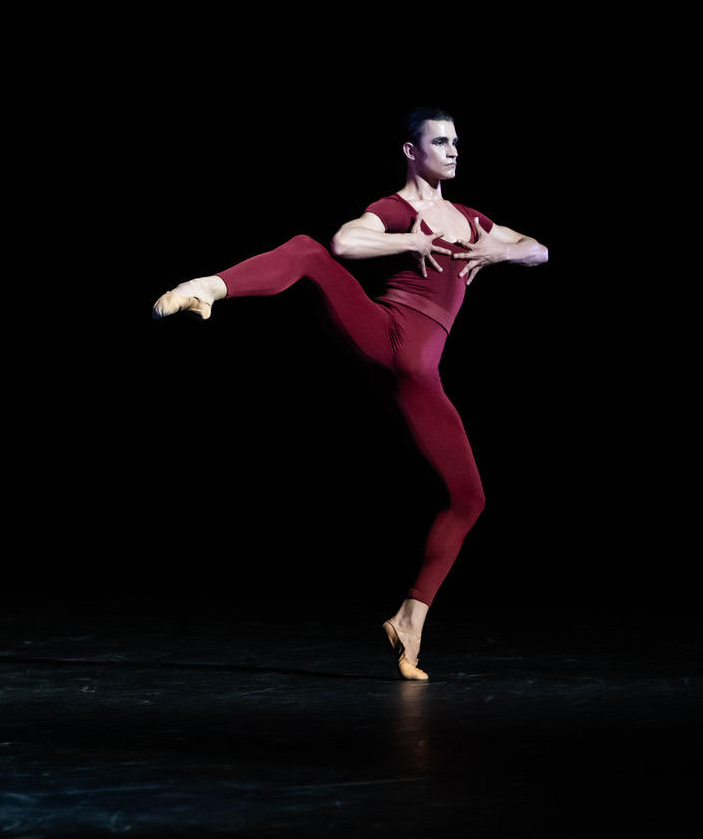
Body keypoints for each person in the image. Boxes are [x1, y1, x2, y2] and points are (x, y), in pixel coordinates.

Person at [152, 108, 547, 680]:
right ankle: (207, 287)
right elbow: (345, 242)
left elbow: (538, 248)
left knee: (470, 499)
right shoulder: (395, 209)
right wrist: (405, 239)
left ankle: (409, 620)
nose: (454, 150)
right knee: (308, 249)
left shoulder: (472, 220)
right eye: (440, 141)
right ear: (412, 152)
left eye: (457, 142)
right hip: (386, 335)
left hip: (420, 375)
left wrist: (500, 251)